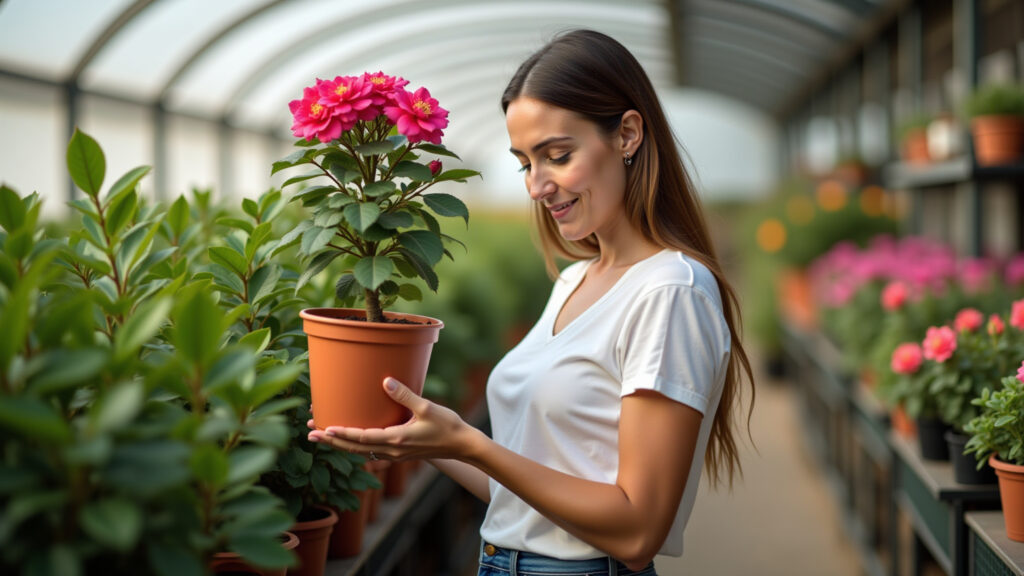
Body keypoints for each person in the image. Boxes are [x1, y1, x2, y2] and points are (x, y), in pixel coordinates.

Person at [307, 29, 754, 576]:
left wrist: (471, 444)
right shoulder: (574, 281)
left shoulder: (670, 292)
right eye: (525, 163)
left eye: (557, 156)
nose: (537, 185)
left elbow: (638, 532)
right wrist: (429, 444)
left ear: (628, 135)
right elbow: (526, 496)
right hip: (501, 561)